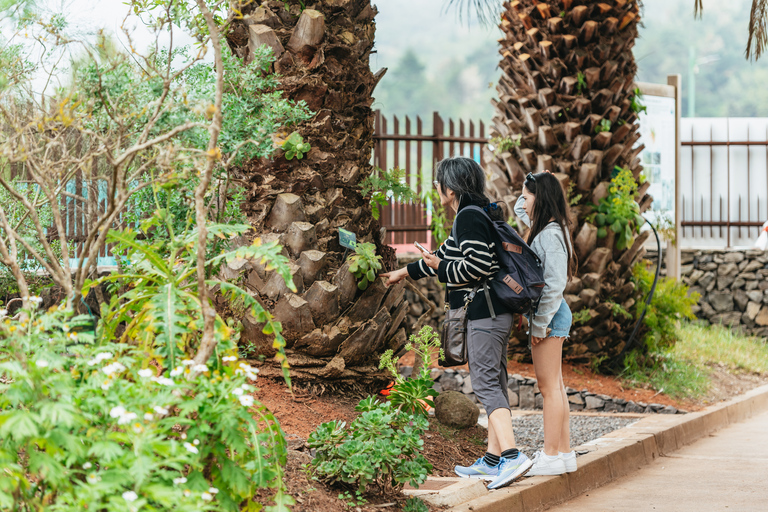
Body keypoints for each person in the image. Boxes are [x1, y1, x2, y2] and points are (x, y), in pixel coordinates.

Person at [381, 156, 532, 489]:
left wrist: (442, 268)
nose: (436, 188)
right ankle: (493, 460)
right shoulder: (476, 214)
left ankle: (512, 456)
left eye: (438, 183)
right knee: (495, 380)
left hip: (485, 312)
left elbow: (479, 266)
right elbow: (444, 256)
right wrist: (403, 273)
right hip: (495, 313)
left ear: (450, 187)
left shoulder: (467, 217)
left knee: (487, 383)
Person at [514, 171, 578, 476]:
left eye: (527, 196)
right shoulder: (544, 228)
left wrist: (538, 326)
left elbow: (554, 285)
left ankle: (551, 455)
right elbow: (518, 210)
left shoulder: (549, 234)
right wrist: (536, 183)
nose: (522, 203)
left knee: (549, 387)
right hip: (550, 317)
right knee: (557, 386)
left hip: (550, 318)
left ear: (539, 199)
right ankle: (563, 453)